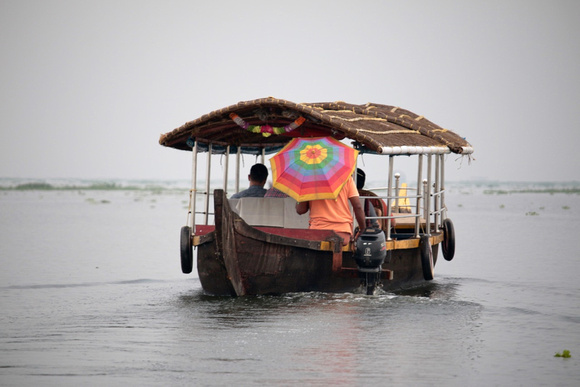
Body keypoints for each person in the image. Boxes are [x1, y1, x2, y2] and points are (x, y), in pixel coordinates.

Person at [295, 175, 366, 245]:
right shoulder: (346, 178)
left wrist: (300, 196)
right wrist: (362, 229)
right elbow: (358, 206)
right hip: (342, 233)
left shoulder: (309, 181)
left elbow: (300, 210)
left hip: (318, 233)